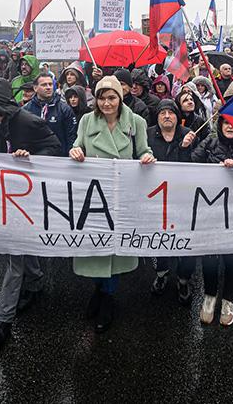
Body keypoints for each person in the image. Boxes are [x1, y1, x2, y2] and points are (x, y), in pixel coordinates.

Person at [0, 77, 62, 349]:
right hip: (5, 197)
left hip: (28, 195)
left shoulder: (28, 121)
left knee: (13, 260)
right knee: (19, 248)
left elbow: (55, 147)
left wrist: (30, 154)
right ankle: (36, 281)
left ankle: (2, 320)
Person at [68, 76, 154, 333]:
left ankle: (107, 298)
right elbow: (77, 145)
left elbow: (144, 151)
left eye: (111, 97)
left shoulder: (136, 122)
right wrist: (75, 151)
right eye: (102, 97)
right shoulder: (86, 120)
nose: (106, 103)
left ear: (120, 98)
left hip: (121, 197)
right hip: (93, 198)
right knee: (96, 247)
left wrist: (148, 156)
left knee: (114, 251)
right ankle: (99, 289)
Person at [191, 115, 233, 326]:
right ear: (220, 125)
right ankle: (209, 296)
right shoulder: (209, 141)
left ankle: (228, 299)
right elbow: (190, 164)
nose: (230, 127)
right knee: (209, 257)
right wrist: (186, 145)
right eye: (226, 123)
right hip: (210, 211)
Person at [146, 99, 198, 304]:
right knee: (159, 239)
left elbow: (196, 165)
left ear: (178, 117)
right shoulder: (148, 134)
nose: (166, 116)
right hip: (156, 199)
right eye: (162, 113)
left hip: (183, 198)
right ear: (157, 117)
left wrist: (185, 148)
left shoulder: (189, 134)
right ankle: (161, 274)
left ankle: (184, 279)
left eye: (171, 113)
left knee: (186, 241)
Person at [22, 72, 77, 152]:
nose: (48, 87)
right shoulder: (26, 110)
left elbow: (71, 136)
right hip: (34, 158)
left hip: (59, 158)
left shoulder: (64, 109)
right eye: (44, 85)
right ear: (35, 88)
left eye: (50, 84)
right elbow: (22, 136)